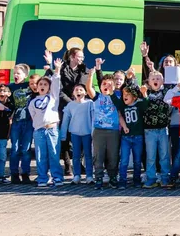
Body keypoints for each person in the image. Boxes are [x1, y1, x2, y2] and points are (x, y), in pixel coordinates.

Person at [28, 55, 64, 187]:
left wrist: (57, 69)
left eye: (45, 84)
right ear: (36, 87)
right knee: (40, 155)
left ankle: (57, 177)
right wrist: (39, 125)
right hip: (39, 131)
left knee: (54, 154)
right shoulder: (33, 102)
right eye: (40, 84)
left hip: (52, 129)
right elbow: (34, 116)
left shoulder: (53, 97)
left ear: (49, 87)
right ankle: (42, 177)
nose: (42, 86)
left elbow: (56, 82)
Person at [88, 61, 122, 189]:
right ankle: (99, 178)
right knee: (98, 156)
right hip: (99, 130)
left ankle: (113, 177)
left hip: (113, 131)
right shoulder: (97, 97)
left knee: (113, 155)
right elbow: (89, 89)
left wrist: (112, 92)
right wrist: (91, 76)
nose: (106, 86)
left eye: (109, 84)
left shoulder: (117, 97)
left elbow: (120, 106)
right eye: (104, 84)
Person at [142, 72, 173, 188]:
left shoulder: (165, 92)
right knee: (151, 156)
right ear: (149, 82)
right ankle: (151, 178)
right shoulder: (146, 93)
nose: (156, 80)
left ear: (162, 81)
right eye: (153, 79)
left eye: (158, 79)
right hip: (149, 130)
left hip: (163, 129)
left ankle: (165, 178)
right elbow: (143, 108)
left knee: (164, 155)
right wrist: (144, 94)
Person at [58, 84, 94, 184]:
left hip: (87, 133)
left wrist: (93, 132)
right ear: (73, 93)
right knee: (76, 155)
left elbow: (93, 118)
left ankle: (89, 176)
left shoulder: (90, 103)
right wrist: (63, 135)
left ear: (85, 92)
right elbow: (65, 121)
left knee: (88, 155)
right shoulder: (70, 105)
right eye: (76, 90)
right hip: (75, 133)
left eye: (81, 90)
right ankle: (77, 175)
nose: (78, 91)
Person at [8, 66, 36, 184]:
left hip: (28, 121)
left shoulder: (29, 86)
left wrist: (49, 65)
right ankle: (14, 174)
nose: (16, 75)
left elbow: (45, 84)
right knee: (15, 149)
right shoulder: (10, 87)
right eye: (14, 73)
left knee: (26, 149)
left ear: (25, 75)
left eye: (18, 73)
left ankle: (25, 173)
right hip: (16, 121)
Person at [117, 85, 148, 189]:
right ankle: (122, 181)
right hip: (125, 138)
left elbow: (146, 104)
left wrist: (144, 93)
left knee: (137, 161)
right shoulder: (122, 105)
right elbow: (120, 116)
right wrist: (124, 126)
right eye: (123, 94)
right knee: (124, 160)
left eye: (127, 94)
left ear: (134, 97)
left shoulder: (139, 104)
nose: (124, 96)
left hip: (138, 137)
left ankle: (136, 180)